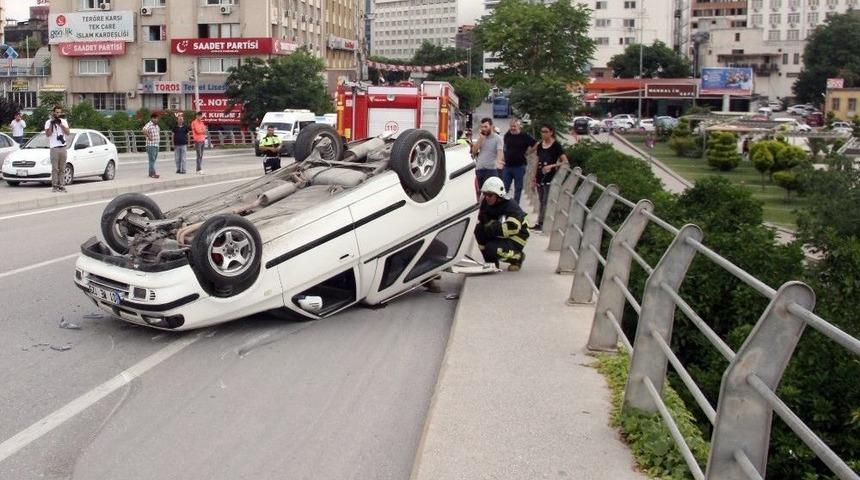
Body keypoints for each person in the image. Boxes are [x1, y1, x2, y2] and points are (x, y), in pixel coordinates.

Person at [475, 177, 529, 272]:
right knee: (479, 230)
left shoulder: (511, 206)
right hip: (501, 232)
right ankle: (491, 262)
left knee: (491, 248)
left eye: (490, 195)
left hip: (517, 237)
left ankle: (517, 257)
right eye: (485, 194)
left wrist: (491, 227)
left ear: (498, 195)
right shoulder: (486, 203)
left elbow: (512, 228)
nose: (487, 197)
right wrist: (488, 225)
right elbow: (483, 217)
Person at [531, 124, 569, 230]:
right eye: (542, 131)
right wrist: (533, 178)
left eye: (546, 131)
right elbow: (536, 161)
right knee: (541, 199)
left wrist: (552, 166)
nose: (543, 134)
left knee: (545, 200)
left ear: (551, 132)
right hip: (539, 175)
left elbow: (565, 161)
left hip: (550, 176)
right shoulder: (539, 145)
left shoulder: (556, 145)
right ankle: (540, 221)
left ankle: (541, 223)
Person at [502, 119, 537, 204]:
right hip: (507, 166)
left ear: (519, 126)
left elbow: (536, 144)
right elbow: (505, 146)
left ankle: (515, 205)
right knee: (504, 187)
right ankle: (503, 205)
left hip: (519, 166)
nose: (512, 128)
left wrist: (528, 152)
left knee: (518, 188)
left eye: (514, 126)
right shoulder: (507, 135)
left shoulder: (524, 136)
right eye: (511, 126)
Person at [471, 117, 504, 188]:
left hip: (491, 169)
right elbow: (473, 152)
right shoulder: (481, 138)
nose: (484, 129)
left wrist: (498, 162)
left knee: (490, 192)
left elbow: (500, 152)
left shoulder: (498, 138)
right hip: (479, 169)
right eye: (482, 127)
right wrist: (480, 139)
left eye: (486, 127)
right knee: (481, 192)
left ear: (491, 126)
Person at [44, 105, 70, 193]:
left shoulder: (63, 121)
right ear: (53, 113)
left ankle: (62, 186)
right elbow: (48, 134)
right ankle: (55, 186)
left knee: (62, 168)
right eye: (57, 112)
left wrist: (60, 124)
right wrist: (52, 123)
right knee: (55, 168)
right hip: (54, 148)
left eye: (60, 112)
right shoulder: (48, 122)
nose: (58, 114)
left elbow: (68, 133)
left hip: (63, 147)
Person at [142, 113, 161, 179]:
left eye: (157, 118)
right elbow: (144, 130)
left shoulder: (157, 126)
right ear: (152, 118)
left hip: (156, 145)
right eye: (155, 118)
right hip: (151, 145)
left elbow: (158, 133)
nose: (156, 119)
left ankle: (151, 172)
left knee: (153, 160)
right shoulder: (149, 124)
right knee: (152, 160)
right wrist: (149, 136)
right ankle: (153, 173)